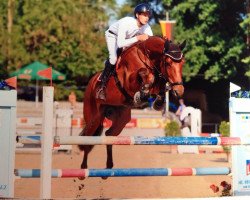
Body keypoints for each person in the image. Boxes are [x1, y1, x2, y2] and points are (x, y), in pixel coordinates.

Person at [96, 3, 153, 101]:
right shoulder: (126, 22)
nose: (146, 18)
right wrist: (138, 37)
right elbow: (121, 44)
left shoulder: (146, 27)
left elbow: (151, 42)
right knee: (113, 59)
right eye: (144, 15)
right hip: (113, 36)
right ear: (137, 15)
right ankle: (102, 86)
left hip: (128, 38)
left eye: (148, 15)